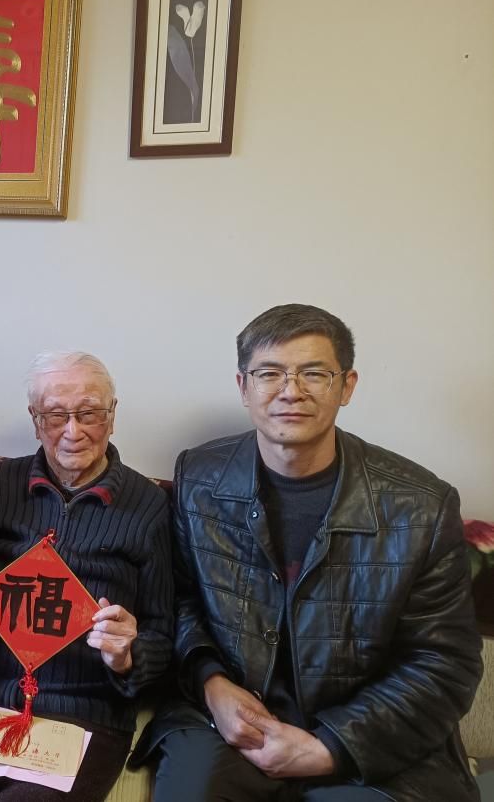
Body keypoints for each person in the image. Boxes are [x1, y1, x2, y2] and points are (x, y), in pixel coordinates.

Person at [135, 304, 483, 802]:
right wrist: (212, 684)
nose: (291, 390)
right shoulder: (200, 478)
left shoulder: (421, 506)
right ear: (243, 387)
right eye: (269, 373)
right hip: (229, 724)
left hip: (365, 741)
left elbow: (443, 662)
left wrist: (330, 747)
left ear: (347, 386)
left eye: (314, 373)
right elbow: (182, 601)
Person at [0, 351, 174, 802]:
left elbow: (163, 635)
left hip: (86, 712)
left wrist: (129, 655)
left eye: (89, 413)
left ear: (112, 416)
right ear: (35, 420)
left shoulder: (148, 506)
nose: (73, 431)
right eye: (55, 415)